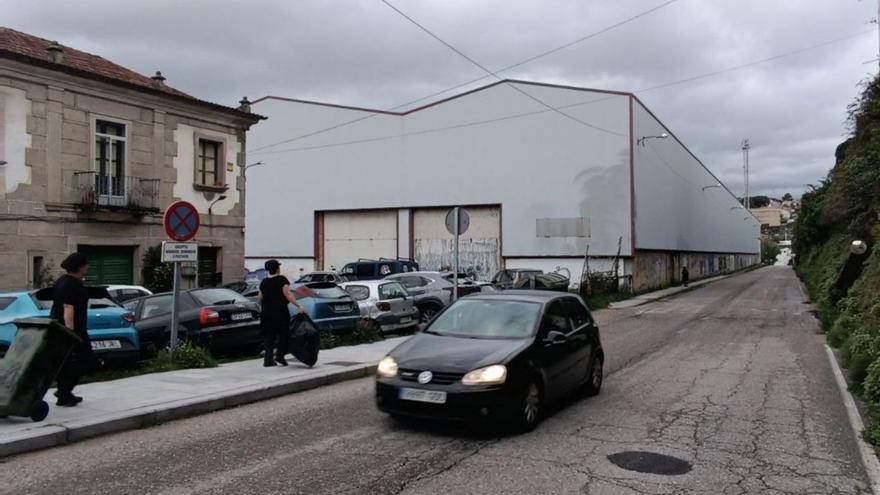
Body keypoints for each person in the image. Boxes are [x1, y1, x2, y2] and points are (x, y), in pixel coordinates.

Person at [50, 253, 92, 407]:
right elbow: (68, 309)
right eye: (86, 264)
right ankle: (64, 392)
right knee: (84, 360)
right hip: (71, 330)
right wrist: (71, 334)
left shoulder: (64, 281)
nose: (88, 266)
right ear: (80, 266)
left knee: (67, 363)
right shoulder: (70, 284)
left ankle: (64, 393)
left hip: (61, 329)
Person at [258, 259, 305, 367]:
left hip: (266, 313)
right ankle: (280, 355)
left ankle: (268, 360)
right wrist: (298, 305)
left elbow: (260, 297)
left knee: (269, 337)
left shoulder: (264, 282)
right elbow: (287, 294)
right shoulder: (282, 280)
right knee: (284, 335)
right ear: (277, 268)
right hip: (280, 313)